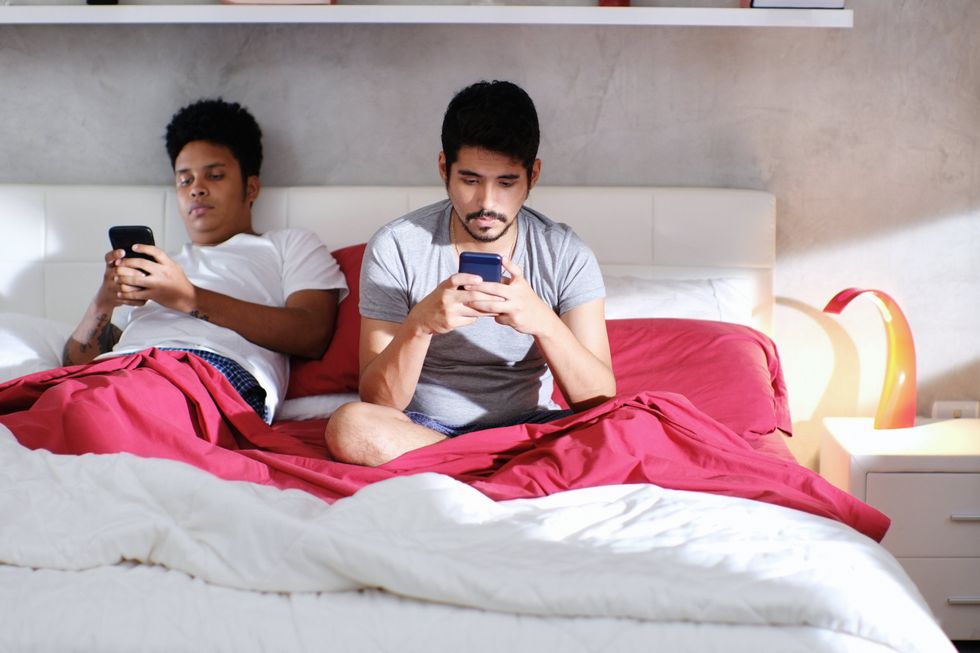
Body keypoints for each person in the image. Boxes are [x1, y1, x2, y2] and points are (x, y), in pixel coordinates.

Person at [325, 80, 615, 466]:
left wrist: (544, 323)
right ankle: (502, 466)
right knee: (349, 426)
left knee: (634, 421)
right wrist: (419, 326)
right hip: (426, 431)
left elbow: (599, 399)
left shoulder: (565, 252)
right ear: (445, 168)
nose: (487, 203)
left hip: (531, 430)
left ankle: (468, 464)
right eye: (470, 180)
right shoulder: (396, 245)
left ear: (534, 176)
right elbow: (378, 401)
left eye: (507, 182)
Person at [61, 98, 347, 422]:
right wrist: (104, 302)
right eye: (185, 180)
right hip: (126, 367)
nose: (196, 189)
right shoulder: (161, 265)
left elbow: (312, 334)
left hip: (212, 374)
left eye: (214, 175)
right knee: (57, 404)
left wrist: (188, 298)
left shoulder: (289, 245)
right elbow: (74, 363)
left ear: (251, 187)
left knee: (98, 415)